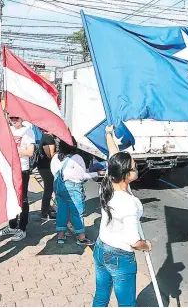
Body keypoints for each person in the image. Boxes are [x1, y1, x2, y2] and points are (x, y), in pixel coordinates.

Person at [92, 126, 152, 307]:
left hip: (101, 248)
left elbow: (113, 156)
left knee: (101, 296)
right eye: (134, 167)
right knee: (127, 304)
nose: (137, 168)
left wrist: (108, 133)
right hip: (119, 256)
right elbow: (134, 241)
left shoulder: (107, 182)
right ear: (126, 174)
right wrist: (146, 245)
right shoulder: (128, 203)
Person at [51, 138, 100, 245]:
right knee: (77, 213)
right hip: (73, 189)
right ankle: (81, 238)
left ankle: (60, 236)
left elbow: (54, 172)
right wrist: (97, 173)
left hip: (59, 187)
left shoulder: (56, 157)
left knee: (62, 211)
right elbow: (82, 176)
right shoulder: (76, 158)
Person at [0, 116, 35, 241]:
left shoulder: (27, 131)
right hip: (9, 168)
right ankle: (12, 225)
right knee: (10, 197)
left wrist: (13, 150)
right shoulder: (8, 129)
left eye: (16, 118)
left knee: (23, 198)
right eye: (12, 118)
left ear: (21, 118)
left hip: (22, 169)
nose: (14, 120)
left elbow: (30, 152)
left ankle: (22, 228)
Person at [37, 129, 57, 220]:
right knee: (48, 189)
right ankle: (45, 212)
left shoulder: (44, 137)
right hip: (47, 167)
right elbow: (51, 155)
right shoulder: (49, 138)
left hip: (42, 166)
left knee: (48, 189)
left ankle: (46, 208)